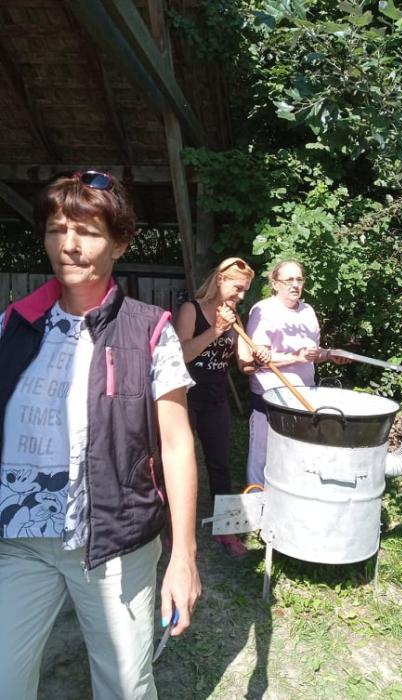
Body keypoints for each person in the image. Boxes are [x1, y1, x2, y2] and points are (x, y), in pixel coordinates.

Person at [0, 171, 200, 700]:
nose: (68, 244)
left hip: (115, 542)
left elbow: (177, 444)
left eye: (87, 232)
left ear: (119, 243)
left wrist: (183, 556)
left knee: (125, 687)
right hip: (20, 540)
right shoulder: (12, 325)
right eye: (56, 229)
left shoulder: (150, 330)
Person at [175, 258, 269, 557]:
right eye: (237, 288)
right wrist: (216, 330)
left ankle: (225, 530)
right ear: (220, 280)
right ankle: (172, 530)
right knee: (177, 464)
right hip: (185, 398)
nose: (241, 296)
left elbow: (243, 364)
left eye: (245, 291)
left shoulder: (234, 318)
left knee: (220, 463)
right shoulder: (191, 310)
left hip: (216, 399)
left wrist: (258, 360)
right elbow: (182, 354)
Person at [244, 259, 349, 487]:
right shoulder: (263, 311)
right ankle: (256, 497)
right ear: (275, 283)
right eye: (289, 280)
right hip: (270, 395)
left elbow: (312, 354)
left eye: (299, 279)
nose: (295, 285)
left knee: (294, 451)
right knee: (262, 453)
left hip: (303, 394)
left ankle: (288, 495)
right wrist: (295, 357)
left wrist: (329, 354)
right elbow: (257, 359)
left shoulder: (307, 311)